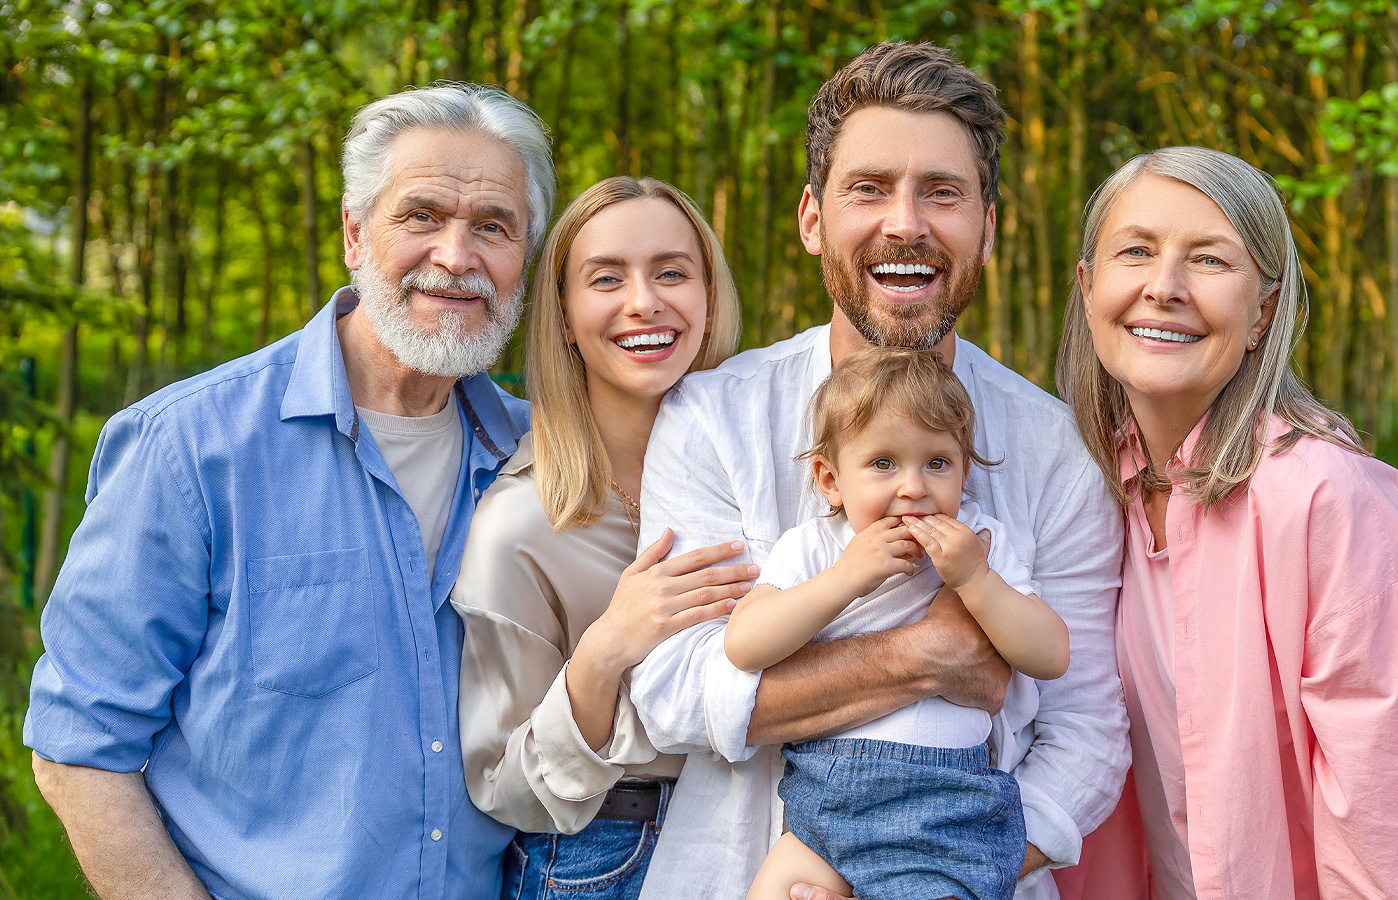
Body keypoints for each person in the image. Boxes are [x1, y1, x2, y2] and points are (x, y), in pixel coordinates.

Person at [24, 83, 553, 900]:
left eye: (493, 225)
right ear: (353, 231)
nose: (457, 255)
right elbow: (78, 746)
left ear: (527, 253)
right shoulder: (192, 448)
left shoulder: (542, 456)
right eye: (420, 216)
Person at [628, 41, 1130, 900]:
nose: (906, 223)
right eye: (869, 188)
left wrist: (935, 876)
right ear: (813, 218)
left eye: (943, 192)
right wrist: (924, 656)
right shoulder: (711, 419)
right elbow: (674, 691)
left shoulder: (1058, 451)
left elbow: (1089, 730)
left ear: (988, 227)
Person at [1053, 145, 1398, 899]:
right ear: (1090, 287)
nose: (1164, 288)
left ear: (1264, 311)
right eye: (1137, 252)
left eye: (1209, 260)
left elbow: (1392, 844)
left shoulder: (1332, 505)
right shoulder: (1091, 494)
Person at [450, 176, 747, 900]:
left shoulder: (773, 474)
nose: (643, 301)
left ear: (708, 300)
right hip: (608, 859)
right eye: (606, 278)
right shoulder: (519, 528)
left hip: (765, 831)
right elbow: (505, 784)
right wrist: (607, 650)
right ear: (562, 317)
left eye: (671, 272)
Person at [728, 346, 1069, 900]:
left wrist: (978, 582)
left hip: (948, 812)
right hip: (826, 802)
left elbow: (1051, 655)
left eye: (937, 463)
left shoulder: (981, 546)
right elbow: (745, 645)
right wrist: (845, 579)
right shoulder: (816, 547)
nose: (913, 486)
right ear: (831, 481)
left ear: (965, 469)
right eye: (884, 463)